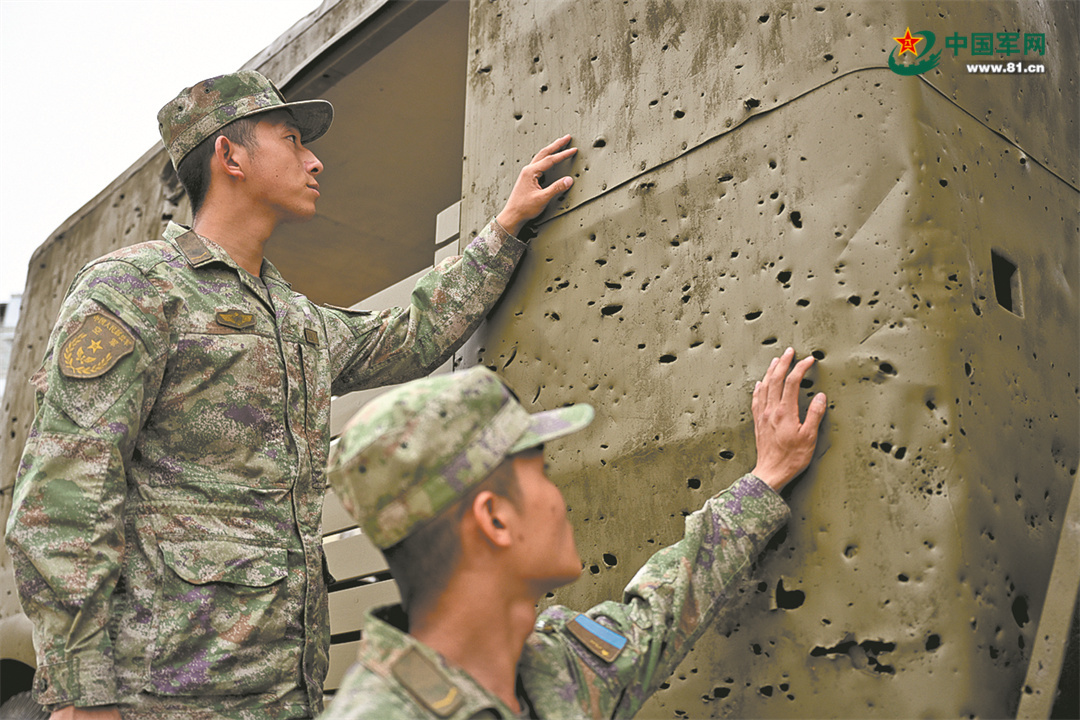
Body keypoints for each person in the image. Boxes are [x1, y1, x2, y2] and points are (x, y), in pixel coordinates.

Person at [5, 70, 576, 720]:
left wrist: (505, 230)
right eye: (292, 139)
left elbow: (409, 337)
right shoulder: (134, 290)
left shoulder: (292, 318)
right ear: (231, 156)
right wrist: (82, 697)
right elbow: (62, 501)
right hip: (156, 698)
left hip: (279, 694)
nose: (315, 159)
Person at [321, 347, 827, 718]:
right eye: (540, 475)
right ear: (495, 519)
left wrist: (768, 477)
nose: (558, 499)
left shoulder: (551, 665)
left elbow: (660, 614)